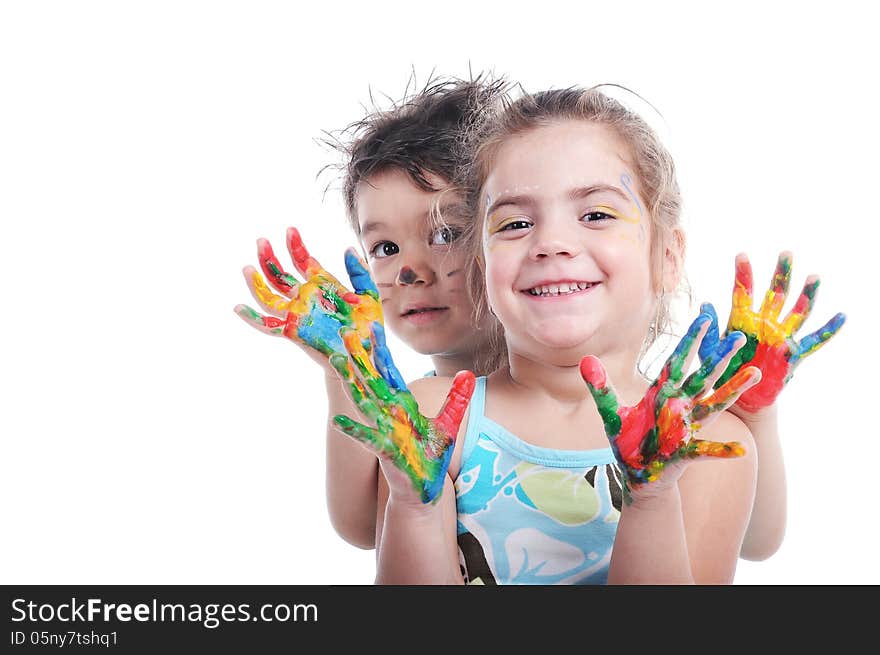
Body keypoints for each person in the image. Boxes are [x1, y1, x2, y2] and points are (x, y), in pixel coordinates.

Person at [333, 86, 768, 584]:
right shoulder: (432, 420)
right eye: (516, 222)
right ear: (482, 269)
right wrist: (415, 507)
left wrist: (652, 499)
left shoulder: (707, 442)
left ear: (667, 258)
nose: (551, 243)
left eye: (596, 215)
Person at [235, 76, 507, 551]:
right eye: (384, 247)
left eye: (445, 233)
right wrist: (348, 368)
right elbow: (362, 527)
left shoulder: (588, 391)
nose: (409, 271)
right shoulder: (416, 407)